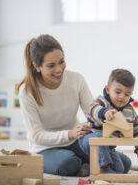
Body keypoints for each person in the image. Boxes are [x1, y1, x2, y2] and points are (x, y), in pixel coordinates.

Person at [18, 34, 94, 176]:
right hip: (45, 148)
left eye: (61, 61)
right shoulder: (27, 92)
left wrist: (98, 121)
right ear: (37, 66)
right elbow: (37, 135)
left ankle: (86, 165)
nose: (59, 69)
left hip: (75, 141)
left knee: (122, 162)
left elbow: (93, 113)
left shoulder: (76, 79)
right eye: (51, 65)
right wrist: (70, 134)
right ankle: (85, 164)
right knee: (68, 162)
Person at [78, 69, 138, 174]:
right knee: (99, 138)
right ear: (108, 89)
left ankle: (90, 166)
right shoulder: (102, 101)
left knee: (120, 169)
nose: (122, 96)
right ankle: (103, 168)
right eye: (117, 92)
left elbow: (136, 130)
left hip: (108, 147)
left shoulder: (130, 111)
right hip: (89, 139)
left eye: (127, 94)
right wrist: (104, 112)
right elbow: (93, 108)